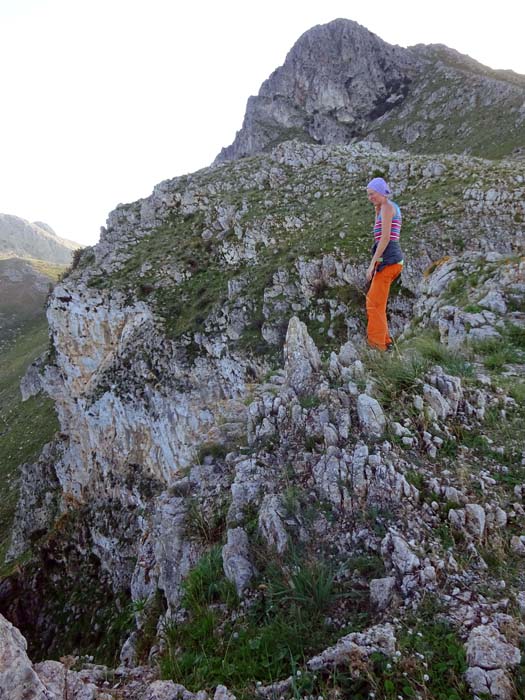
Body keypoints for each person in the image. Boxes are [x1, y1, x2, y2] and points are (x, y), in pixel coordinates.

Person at [365, 177, 404, 351]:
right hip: (390, 260)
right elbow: (379, 234)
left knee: (373, 303)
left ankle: (377, 345)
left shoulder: (388, 208)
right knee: (377, 303)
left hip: (388, 260)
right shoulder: (384, 208)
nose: (370, 197)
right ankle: (385, 341)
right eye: (368, 195)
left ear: (381, 192)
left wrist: (372, 263)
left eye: (372, 194)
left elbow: (385, 238)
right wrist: (376, 210)